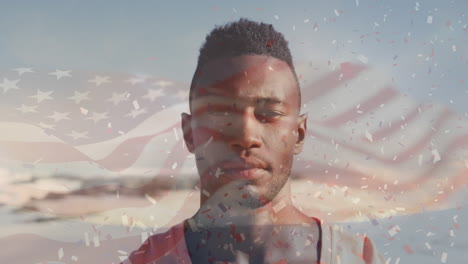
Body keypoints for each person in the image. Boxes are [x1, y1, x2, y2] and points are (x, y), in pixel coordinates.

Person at [123, 18, 384, 264]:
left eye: (269, 114)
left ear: (299, 134)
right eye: (221, 113)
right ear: (190, 134)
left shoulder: (358, 257)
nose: (246, 137)